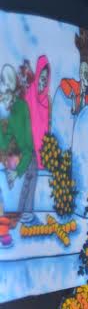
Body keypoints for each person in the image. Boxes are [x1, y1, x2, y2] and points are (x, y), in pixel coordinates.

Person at [0, 64, 39, 224]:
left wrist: (17, 170)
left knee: (30, 164)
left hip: (18, 154)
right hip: (10, 154)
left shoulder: (21, 107)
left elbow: (27, 147)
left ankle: (24, 212)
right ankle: (23, 213)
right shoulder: (16, 107)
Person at [24, 56, 51, 169]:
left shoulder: (47, 101)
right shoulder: (28, 93)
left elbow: (48, 127)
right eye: (41, 77)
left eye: (45, 79)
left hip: (42, 154)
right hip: (28, 152)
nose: (43, 82)